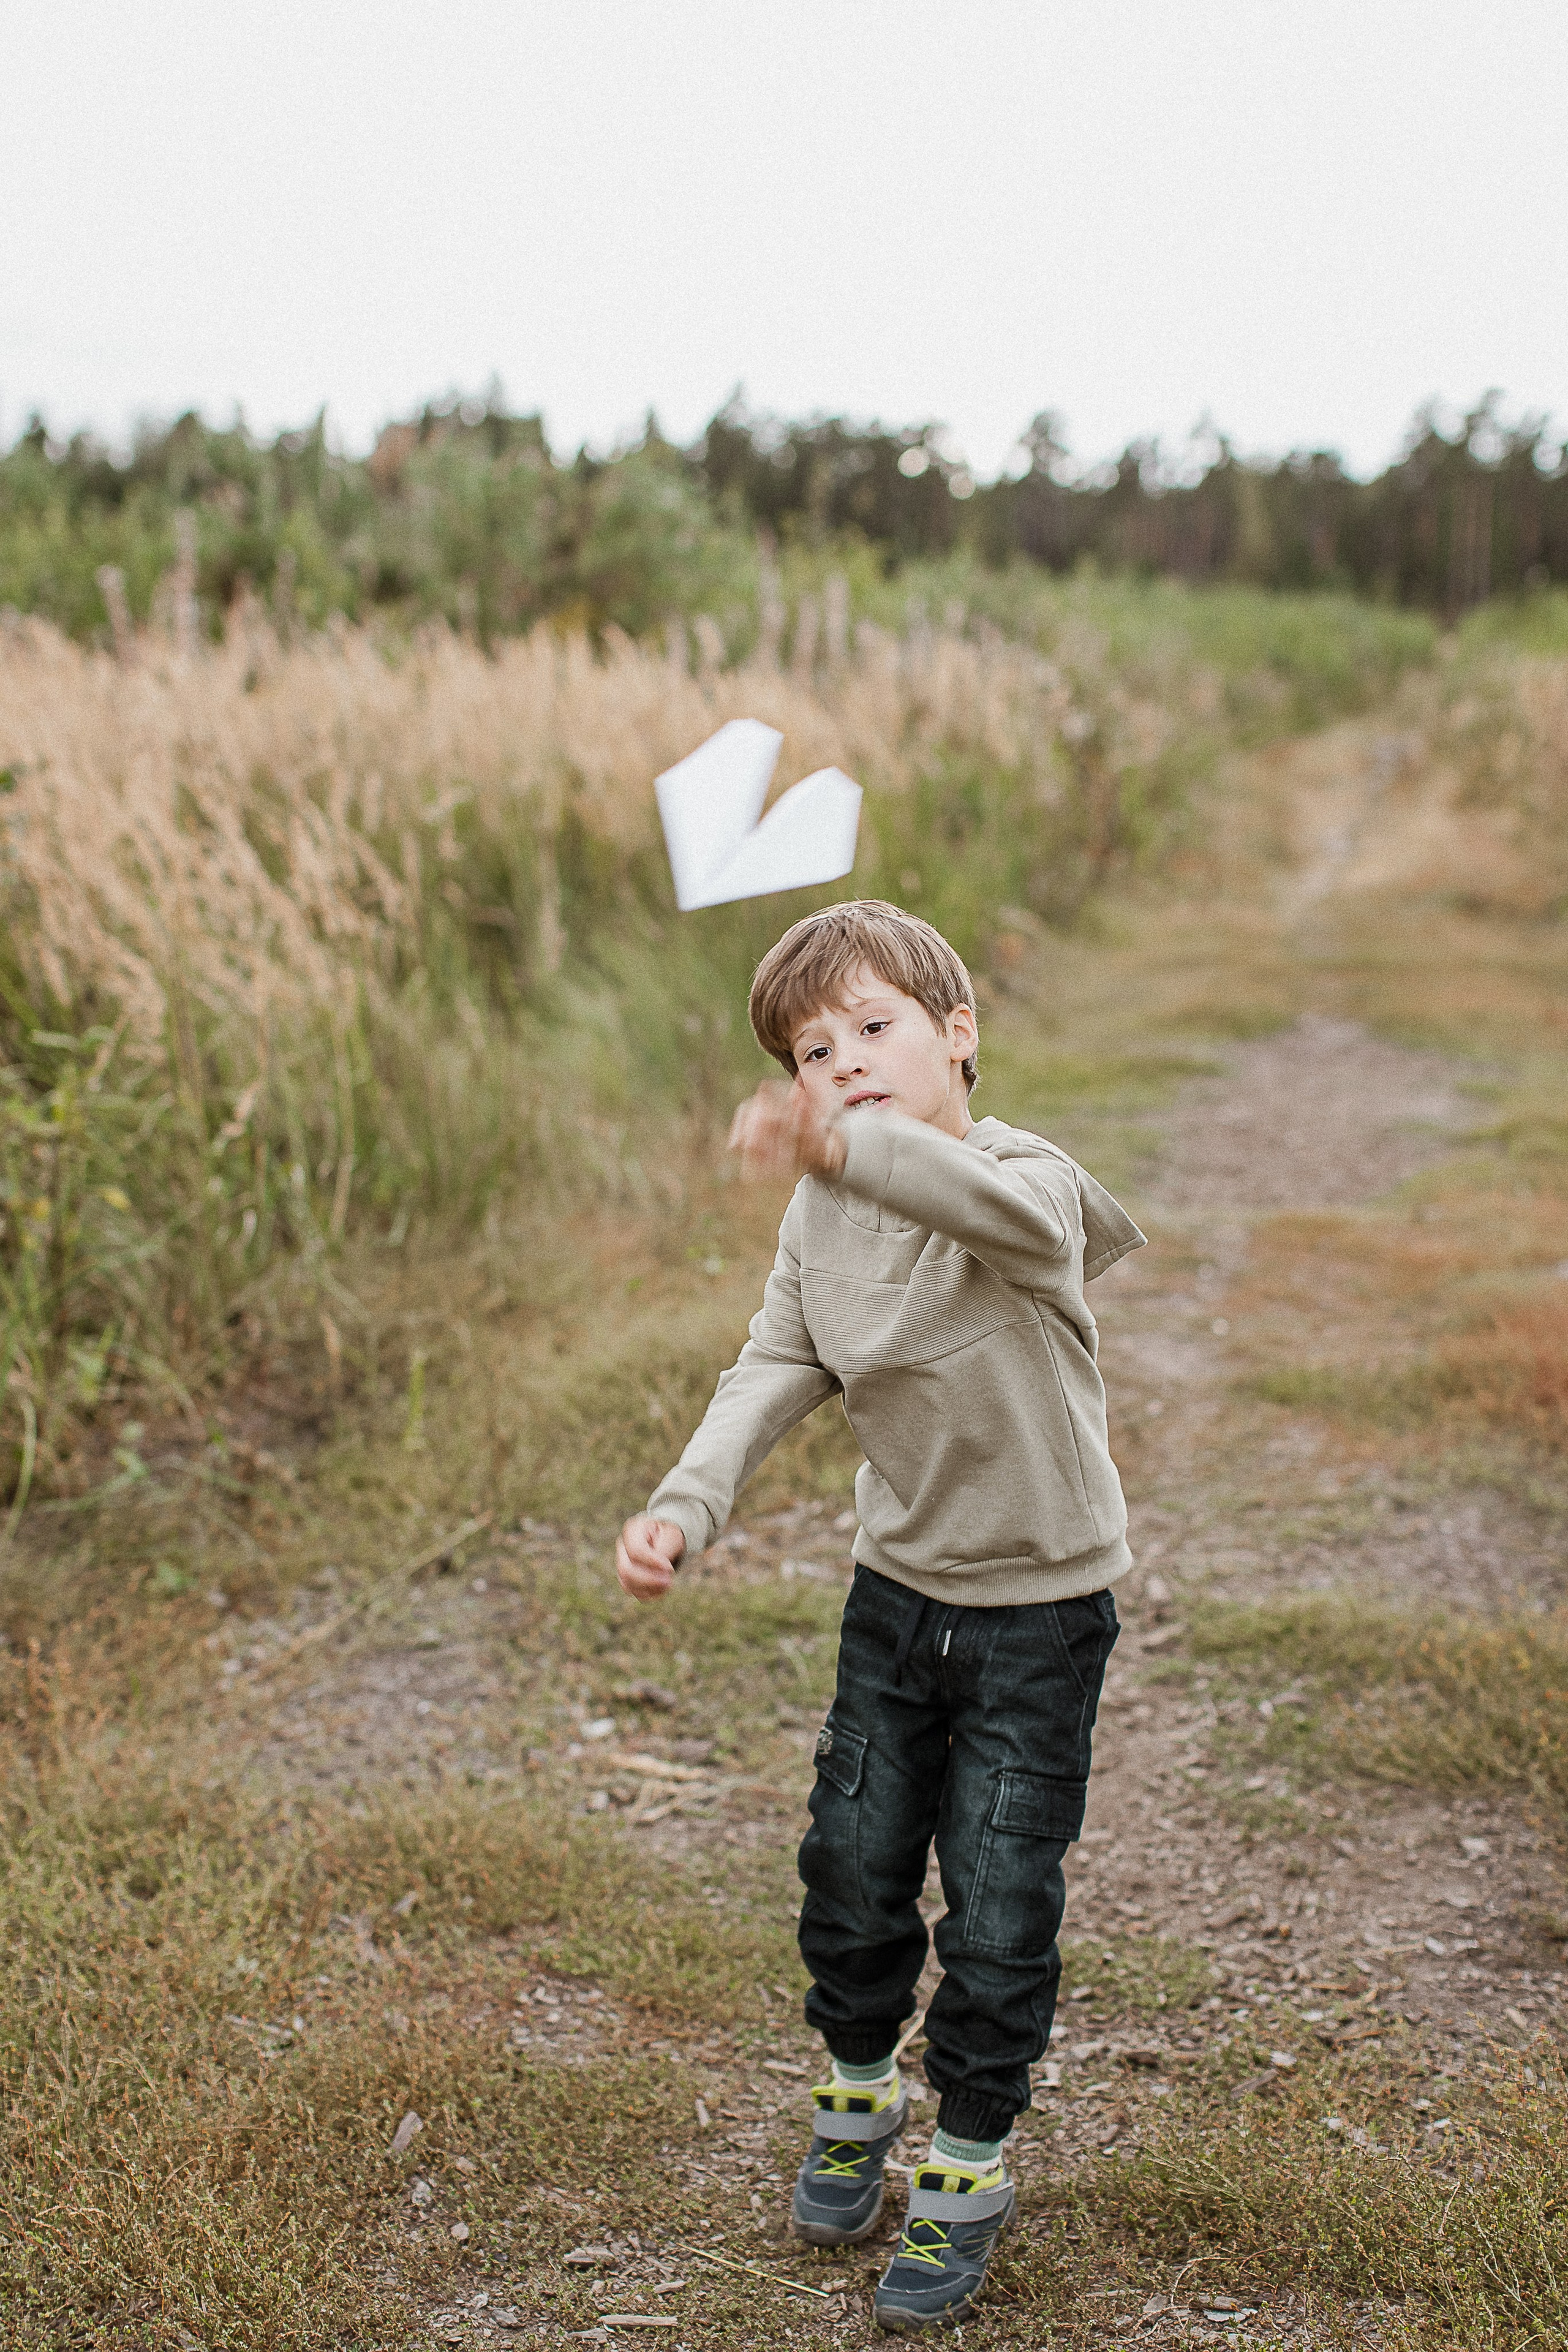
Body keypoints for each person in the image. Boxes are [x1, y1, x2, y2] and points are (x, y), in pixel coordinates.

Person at [616, 900, 1143, 2333]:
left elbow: (998, 1215)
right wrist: (684, 1506)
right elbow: (772, 1363)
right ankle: (856, 2091)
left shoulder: (1024, 1182)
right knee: (851, 1865)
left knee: (997, 1897)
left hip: (1039, 1615)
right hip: (896, 1600)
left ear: (956, 1035)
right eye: (810, 1049)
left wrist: (849, 1147)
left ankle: (965, 2163)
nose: (841, 1061)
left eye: (871, 1026)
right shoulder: (823, 1213)